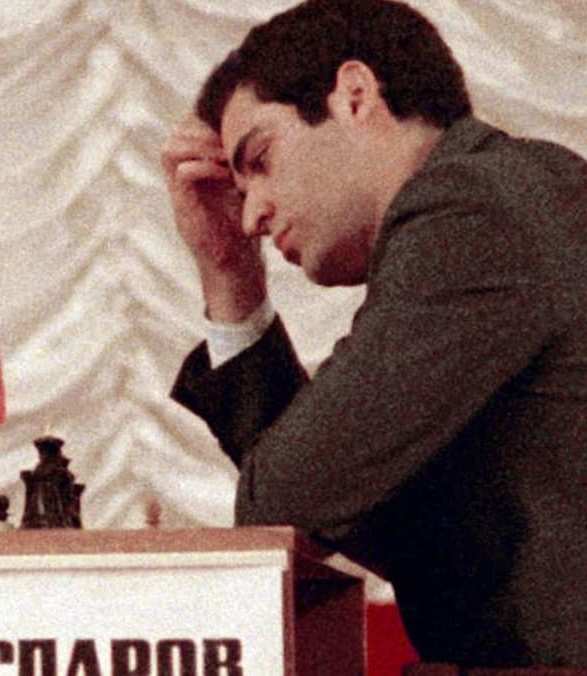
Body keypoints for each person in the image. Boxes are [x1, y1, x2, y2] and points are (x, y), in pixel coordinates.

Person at [161, 0, 587, 667]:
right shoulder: (509, 196)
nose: (250, 218)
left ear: (355, 96)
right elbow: (361, 510)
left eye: (261, 158)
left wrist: (233, 282)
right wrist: (229, 274)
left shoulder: (473, 209)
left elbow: (291, 496)